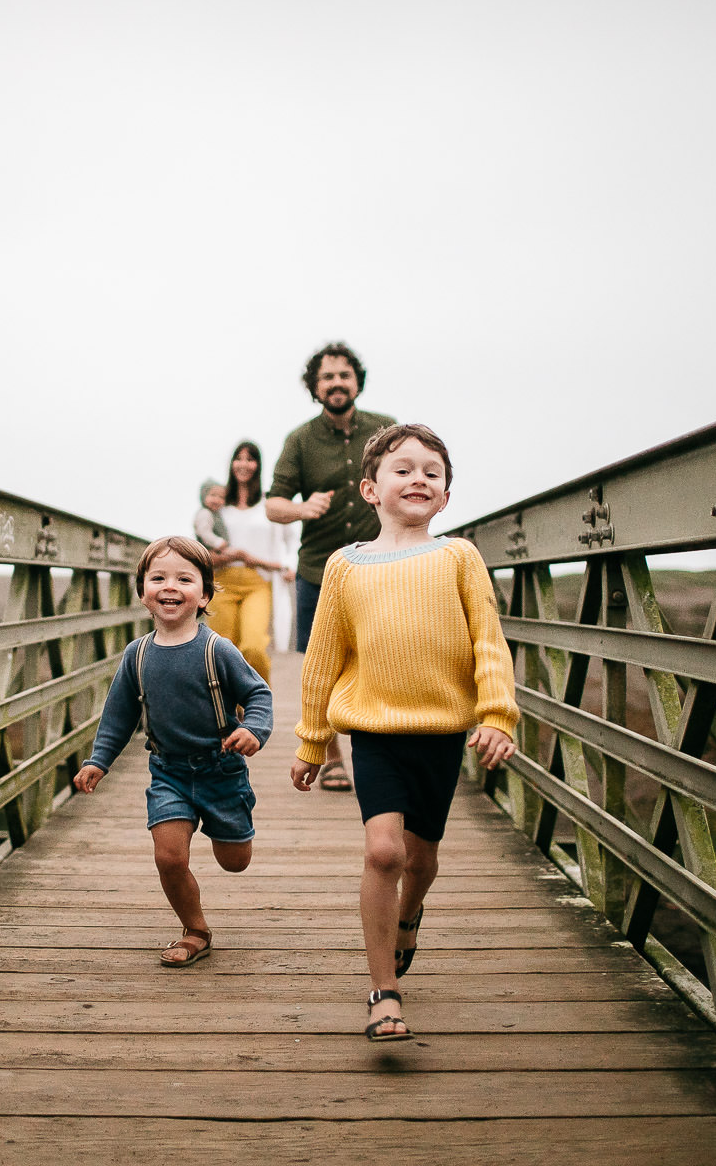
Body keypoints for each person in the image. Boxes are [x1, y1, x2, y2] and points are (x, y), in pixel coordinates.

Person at [289, 424, 519, 1042]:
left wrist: (497, 715)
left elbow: (488, 644)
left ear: (444, 496)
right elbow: (322, 659)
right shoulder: (345, 566)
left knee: (421, 859)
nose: (419, 478)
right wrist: (313, 741)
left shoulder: (459, 557)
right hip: (376, 729)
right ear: (370, 488)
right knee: (383, 852)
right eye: (403, 469)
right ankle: (383, 990)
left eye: (432, 473)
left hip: (442, 731)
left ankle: (410, 913)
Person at [74, 536, 274, 967]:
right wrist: (98, 760)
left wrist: (254, 730)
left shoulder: (217, 649)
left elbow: (258, 694)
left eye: (185, 578)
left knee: (235, 861)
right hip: (169, 772)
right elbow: (118, 717)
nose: (170, 586)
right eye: (158, 577)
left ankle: (229, 832)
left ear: (204, 594)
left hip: (222, 770)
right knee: (168, 856)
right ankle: (194, 929)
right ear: (143, 592)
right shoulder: (137, 655)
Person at [265, 342, 396, 791]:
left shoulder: (386, 429)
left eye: (344, 375)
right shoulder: (300, 440)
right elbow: (273, 506)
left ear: (356, 380)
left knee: (380, 660)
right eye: (327, 377)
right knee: (318, 668)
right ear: (315, 387)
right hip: (318, 570)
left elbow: (409, 474)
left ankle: (377, 751)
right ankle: (332, 755)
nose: (336, 383)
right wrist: (303, 509)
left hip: (379, 565)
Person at [204, 441, 294, 685]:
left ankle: (258, 705)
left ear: (258, 465)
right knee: (222, 652)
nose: (244, 464)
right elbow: (203, 549)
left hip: (257, 583)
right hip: (222, 583)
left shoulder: (267, 504)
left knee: (253, 647)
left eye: (250, 459)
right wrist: (236, 555)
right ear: (232, 463)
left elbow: (290, 540)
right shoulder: (217, 507)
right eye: (239, 458)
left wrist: (288, 564)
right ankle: (231, 716)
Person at [192, 479, 229, 555]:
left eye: (221, 497)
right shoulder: (205, 513)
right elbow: (204, 532)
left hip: (217, 551)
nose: (217, 500)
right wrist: (217, 542)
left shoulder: (217, 515)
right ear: (204, 496)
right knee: (239, 554)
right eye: (213, 495)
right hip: (209, 551)